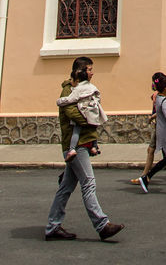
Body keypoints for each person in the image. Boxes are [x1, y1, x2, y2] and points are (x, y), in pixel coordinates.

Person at [45, 57, 123, 241]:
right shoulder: (68, 90)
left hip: (82, 143)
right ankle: (102, 225)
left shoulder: (84, 89)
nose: (92, 72)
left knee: (65, 187)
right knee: (88, 183)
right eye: (89, 69)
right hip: (76, 145)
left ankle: (52, 227)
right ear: (80, 71)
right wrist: (90, 120)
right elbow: (72, 112)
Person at [56, 71, 107, 161]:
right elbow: (98, 96)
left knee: (76, 130)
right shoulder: (92, 86)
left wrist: (59, 101)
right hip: (93, 112)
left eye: (71, 79)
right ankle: (94, 147)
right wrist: (94, 103)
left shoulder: (78, 89)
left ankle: (72, 149)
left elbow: (70, 100)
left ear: (77, 80)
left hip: (83, 112)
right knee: (93, 128)